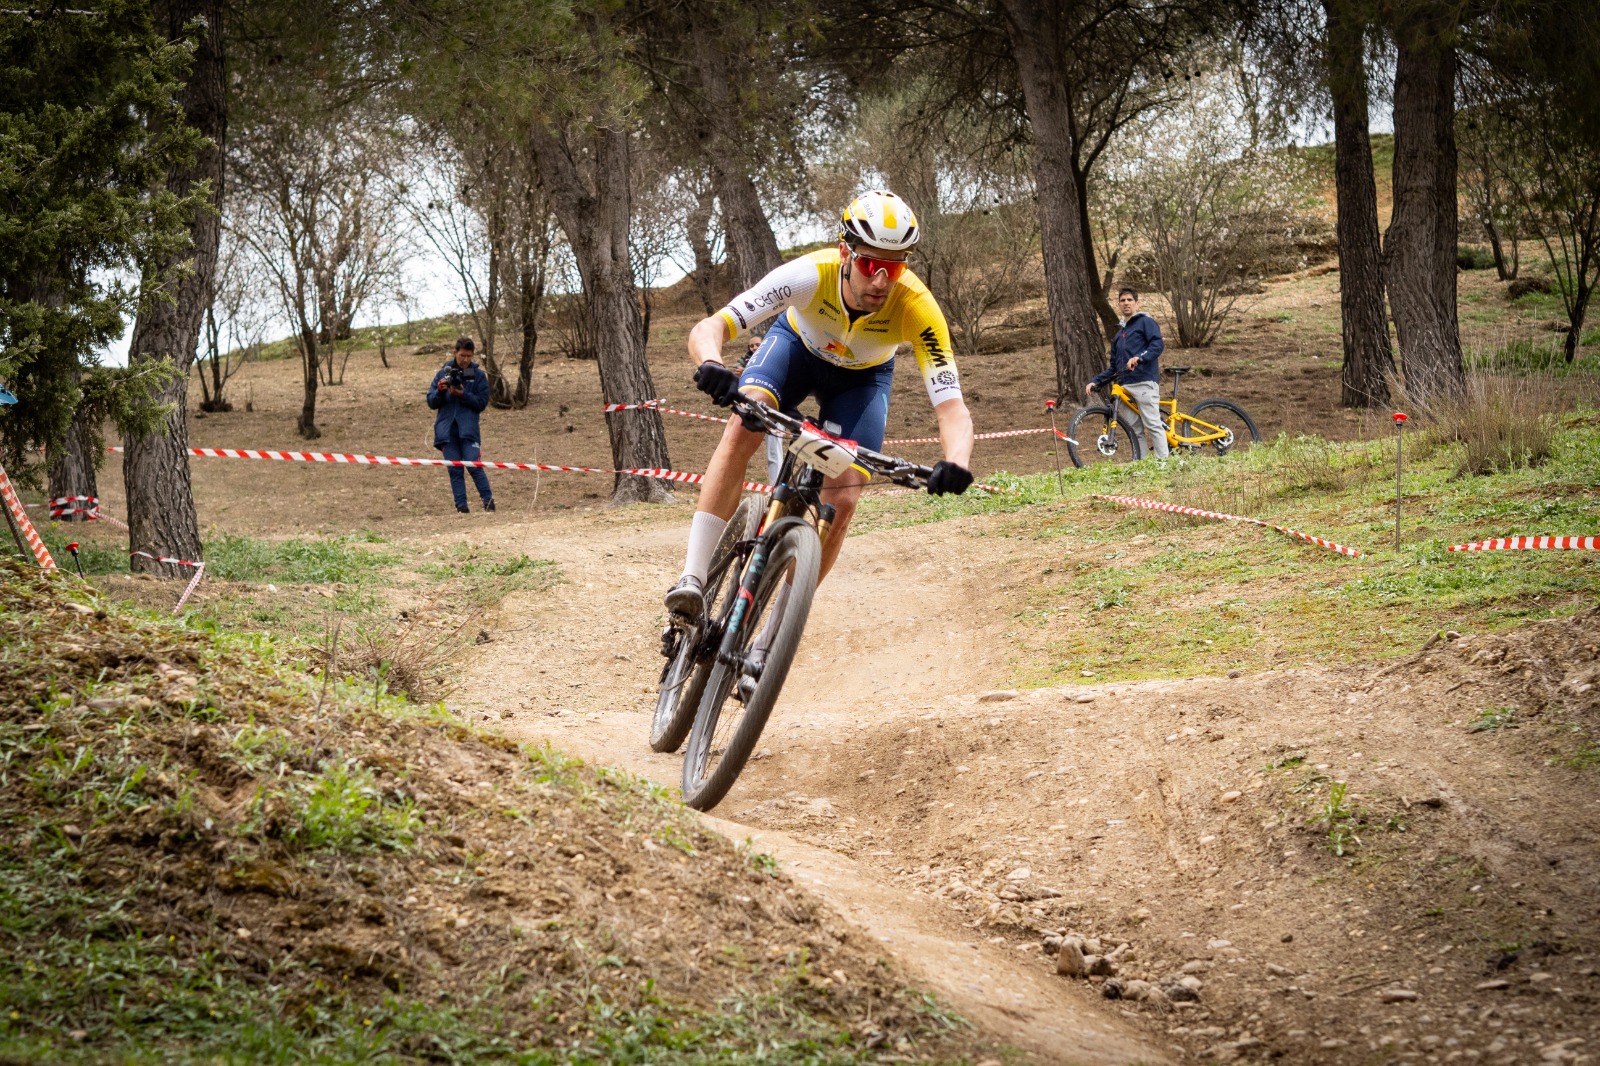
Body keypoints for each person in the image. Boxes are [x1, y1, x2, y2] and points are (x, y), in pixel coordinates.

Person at [664, 189, 975, 624]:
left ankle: (778, 627)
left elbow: (952, 408)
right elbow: (712, 326)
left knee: (845, 491)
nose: (882, 281)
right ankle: (692, 578)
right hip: (795, 352)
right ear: (846, 252)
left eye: (895, 267)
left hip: (863, 380)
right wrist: (712, 363)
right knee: (744, 421)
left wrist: (956, 461)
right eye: (870, 265)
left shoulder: (918, 308)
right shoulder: (810, 274)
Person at [1086, 288, 1168, 461]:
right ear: (1118, 304)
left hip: (1144, 381)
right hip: (1125, 387)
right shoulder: (1119, 335)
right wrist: (1096, 381)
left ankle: (1163, 463)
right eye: (1122, 300)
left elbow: (1157, 345)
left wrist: (1140, 358)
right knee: (1133, 429)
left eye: (1130, 300)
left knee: (1153, 424)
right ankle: (1141, 464)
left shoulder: (1146, 322)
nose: (1126, 303)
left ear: (1137, 303)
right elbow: (1114, 368)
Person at [428, 337, 495, 513]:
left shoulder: (478, 376)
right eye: (462, 355)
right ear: (455, 353)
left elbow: (481, 403)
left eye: (469, 356)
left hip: (469, 431)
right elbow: (431, 401)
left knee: (474, 465)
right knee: (455, 470)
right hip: (447, 431)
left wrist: (462, 395)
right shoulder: (443, 373)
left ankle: (489, 504)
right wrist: (441, 391)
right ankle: (461, 508)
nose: (465, 360)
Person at [738, 335, 783, 486]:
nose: (755, 348)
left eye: (758, 344)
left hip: (774, 408)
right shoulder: (744, 361)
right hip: (750, 409)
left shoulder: (773, 357)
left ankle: (775, 485)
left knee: (773, 450)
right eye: (751, 346)